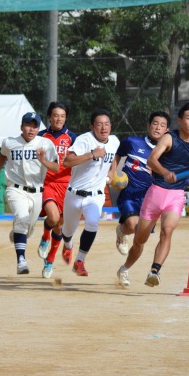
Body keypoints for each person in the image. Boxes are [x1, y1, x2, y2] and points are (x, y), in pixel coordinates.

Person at [117, 102, 189, 288]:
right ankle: (124, 268)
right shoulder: (168, 138)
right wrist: (165, 172)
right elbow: (151, 160)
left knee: (167, 231)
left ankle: (154, 271)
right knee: (139, 241)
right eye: (188, 118)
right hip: (155, 193)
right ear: (180, 120)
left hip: (176, 196)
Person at [0, 112, 59, 275]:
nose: (31, 129)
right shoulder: (10, 142)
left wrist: (43, 161)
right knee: (22, 218)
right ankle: (21, 261)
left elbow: (56, 167)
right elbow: (2, 154)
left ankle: (18, 232)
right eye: (28, 125)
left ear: (38, 128)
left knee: (28, 229)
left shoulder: (45, 144)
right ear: (21, 127)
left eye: (35, 126)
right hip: (15, 189)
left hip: (37, 193)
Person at [55, 109, 119, 278]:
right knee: (68, 230)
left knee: (92, 223)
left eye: (107, 124)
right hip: (74, 195)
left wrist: (112, 172)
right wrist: (92, 154)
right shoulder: (84, 140)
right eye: (99, 124)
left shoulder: (114, 141)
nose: (103, 128)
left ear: (111, 125)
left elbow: (113, 157)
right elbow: (67, 161)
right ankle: (68, 245)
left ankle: (80, 261)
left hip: (95, 195)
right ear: (92, 126)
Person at [114, 111, 170, 256]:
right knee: (132, 225)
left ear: (167, 130)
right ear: (148, 125)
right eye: (155, 123)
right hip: (130, 193)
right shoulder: (132, 142)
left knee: (141, 235)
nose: (158, 127)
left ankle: (128, 263)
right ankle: (121, 232)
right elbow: (118, 153)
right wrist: (113, 171)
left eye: (162, 125)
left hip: (151, 198)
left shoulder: (167, 153)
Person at [35, 102, 77, 277]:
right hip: (48, 183)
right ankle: (45, 237)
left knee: (59, 226)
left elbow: (78, 160)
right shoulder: (40, 136)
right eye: (55, 115)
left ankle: (50, 261)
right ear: (49, 117)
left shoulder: (72, 138)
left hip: (67, 185)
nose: (59, 119)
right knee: (52, 217)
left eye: (62, 116)